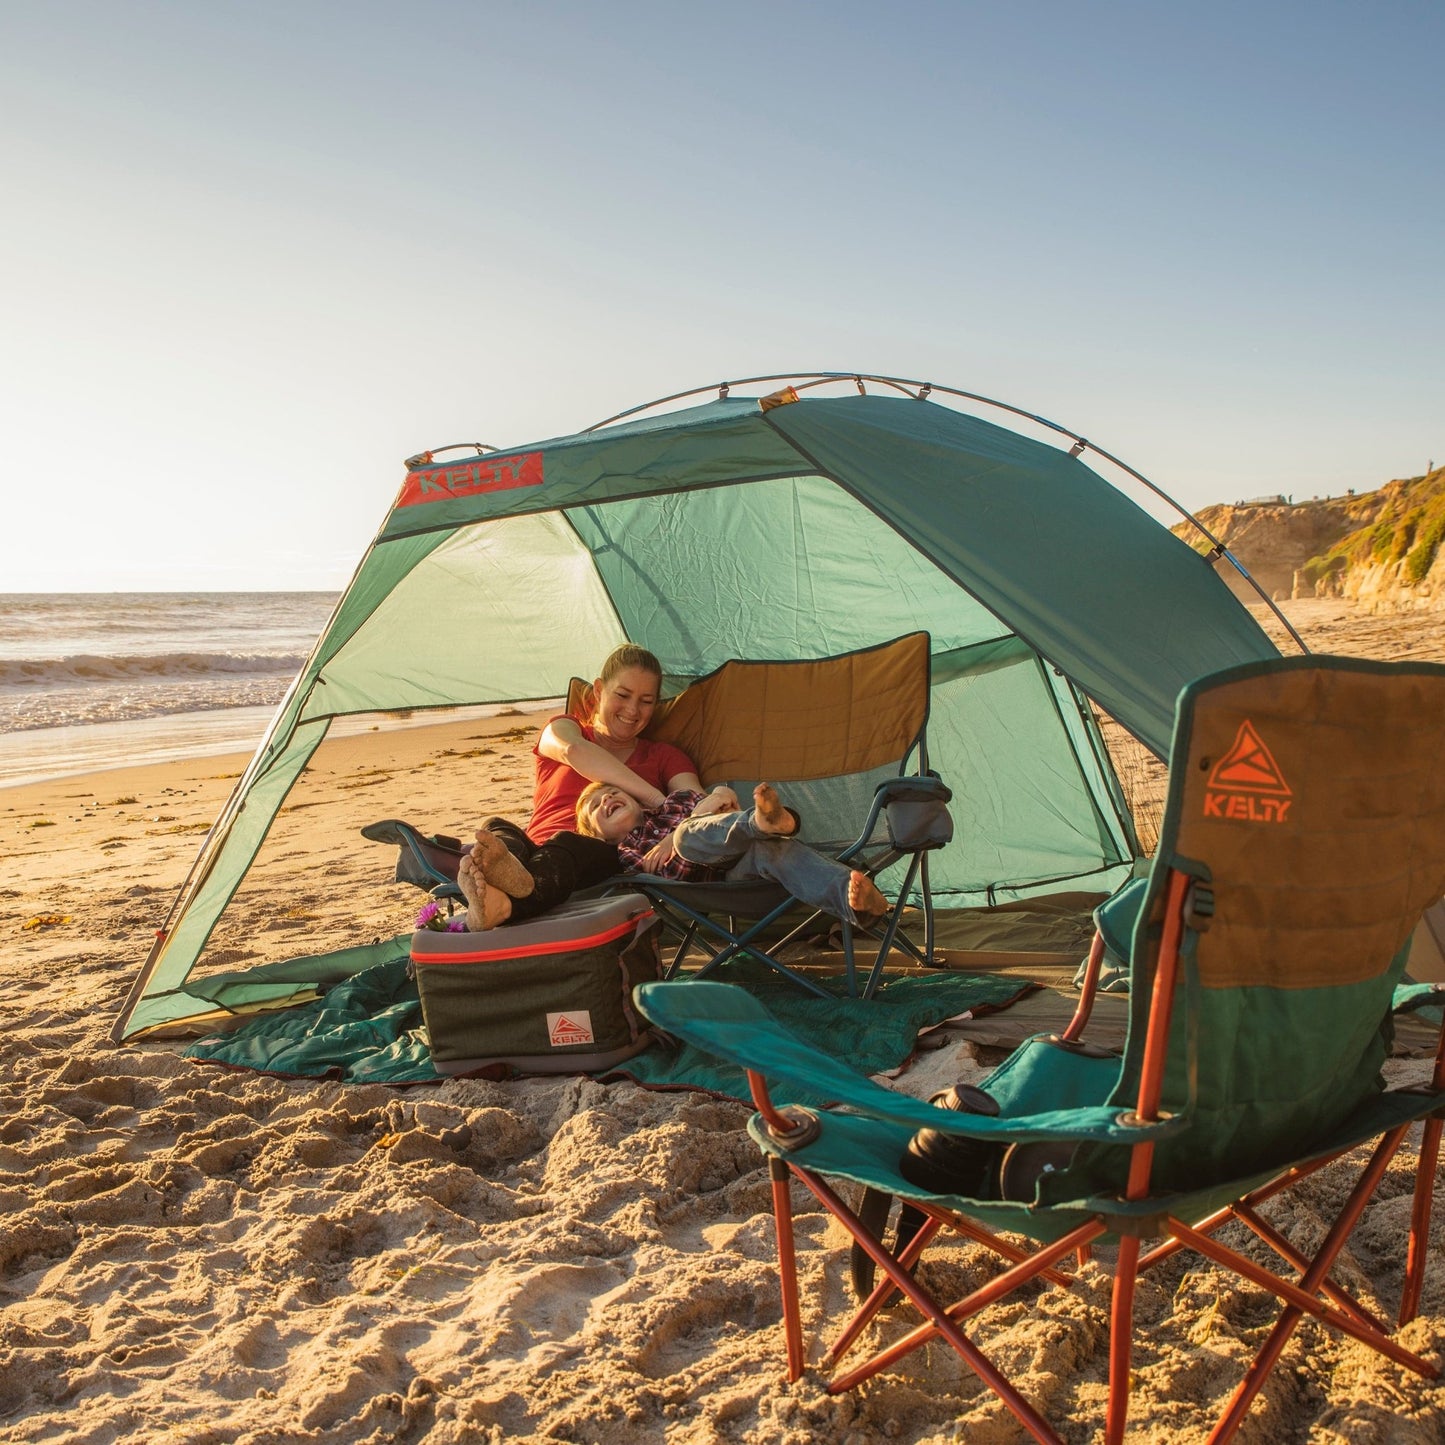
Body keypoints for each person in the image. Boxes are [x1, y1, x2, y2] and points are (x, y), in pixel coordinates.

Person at [457, 643, 739, 928]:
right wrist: (656, 799)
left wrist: (676, 806)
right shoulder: (565, 728)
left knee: (568, 842)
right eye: (622, 694)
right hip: (532, 850)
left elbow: (700, 805)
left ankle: (504, 905)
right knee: (498, 827)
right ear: (599, 691)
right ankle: (500, 879)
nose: (632, 709)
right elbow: (574, 752)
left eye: (646, 700)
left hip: (596, 860)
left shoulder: (665, 756)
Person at [570, 779, 888, 927]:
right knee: (686, 837)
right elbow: (673, 873)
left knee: (773, 848)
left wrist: (717, 798)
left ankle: (860, 907)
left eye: (612, 791)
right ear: (600, 837)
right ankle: (769, 821)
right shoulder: (627, 853)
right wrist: (693, 821)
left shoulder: (675, 801)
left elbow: (722, 795)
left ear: (634, 798)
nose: (606, 799)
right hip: (719, 885)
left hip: (747, 854)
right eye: (595, 807)